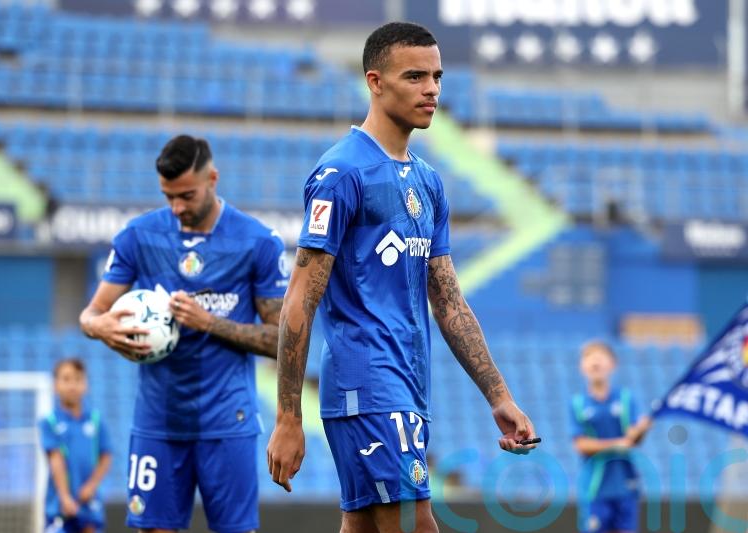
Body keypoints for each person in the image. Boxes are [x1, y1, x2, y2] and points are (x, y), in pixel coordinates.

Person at [266, 22, 539, 533]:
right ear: (375, 81)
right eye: (414, 76)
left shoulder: (428, 183)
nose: (431, 88)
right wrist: (287, 417)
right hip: (367, 384)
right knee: (417, 525)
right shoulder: (342, 174)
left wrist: (498, 395)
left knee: (365, 526)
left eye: (436, 76)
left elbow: (450, 302)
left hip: (407, 385)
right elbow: (300, 300)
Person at [79, 135, 289, 533]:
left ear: (213, 178)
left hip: (228, 420)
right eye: (168, 197)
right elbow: (91, 313)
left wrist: (209, 323)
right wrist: (99, 326)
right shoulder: (138, 236)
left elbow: (282, 341)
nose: (177, 207)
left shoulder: (257, 242)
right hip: (158, 421)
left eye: (186, 196)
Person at [570, 340, 652, 533]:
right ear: (582, 366)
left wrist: (643, 428)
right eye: (589, 357)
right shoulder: (578, 404)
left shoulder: (626, 398)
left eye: (600, 357)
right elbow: (581, 445)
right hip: (595, 486)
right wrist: (617, 444)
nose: (595, 362)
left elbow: (634, 438)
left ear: (612, 364)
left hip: (626, 484)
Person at [39, 358, 112, 533]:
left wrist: (91, 486)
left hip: (89, 502)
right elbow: (55, 459)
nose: (72, 385)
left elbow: (106, 456)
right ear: (56, 385)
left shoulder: (96, 420)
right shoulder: (50, 421)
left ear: (85, 384)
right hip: (59, 504)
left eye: (78, 379)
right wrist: (64, 497)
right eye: (66, 379)